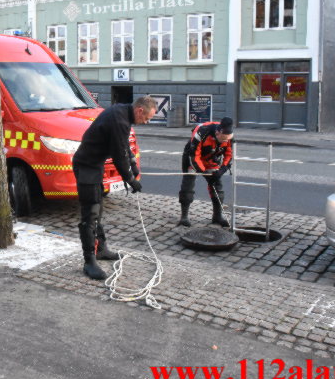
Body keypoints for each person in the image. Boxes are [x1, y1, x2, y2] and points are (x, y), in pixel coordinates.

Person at [72, 96, 158, 280]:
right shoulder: (119, 119)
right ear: (140, 110)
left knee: (98, 209)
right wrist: (130, 180)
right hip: (86, 166)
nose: (147, 122)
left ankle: (101, 249)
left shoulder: (123, 112)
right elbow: (119, 155)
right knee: (90, 214)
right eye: (147, 118)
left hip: (95, 165)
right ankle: (89, 261)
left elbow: (125, 145)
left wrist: (134, 167)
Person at [178, 117, 234, 228]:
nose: (225, 142)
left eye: (227, 140)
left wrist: (221, 171)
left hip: (211, 158)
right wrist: (203, 172)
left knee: (217, 185)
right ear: (217, 133)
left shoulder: (229, 137)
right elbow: (194, 156)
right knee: (188, 185)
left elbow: (229, 156)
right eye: (223, 140)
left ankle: (217, 216)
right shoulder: (202, 132)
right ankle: (184, 217)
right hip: (192, 157)